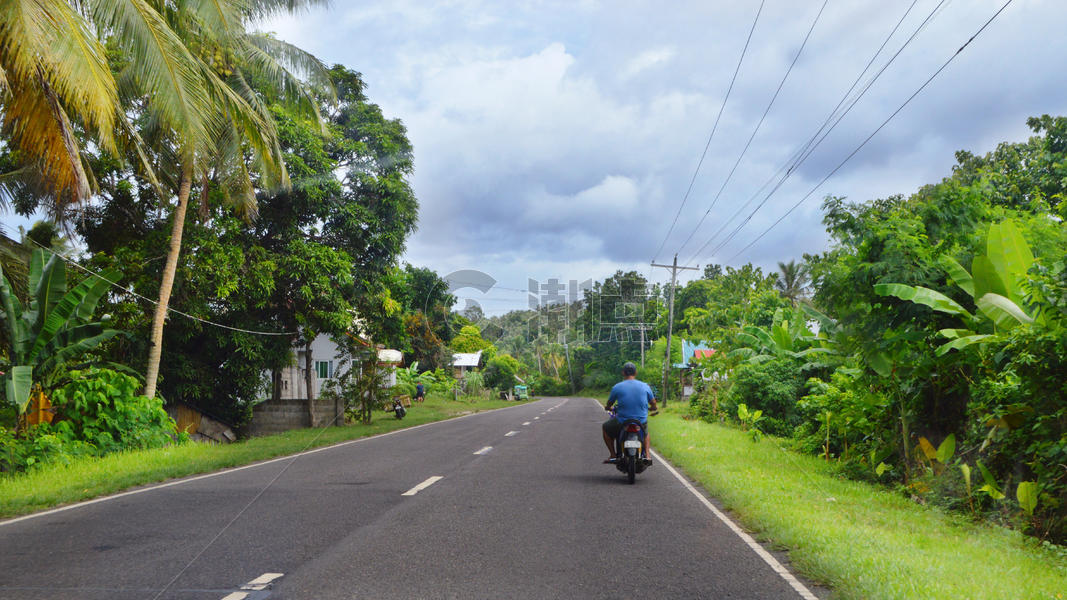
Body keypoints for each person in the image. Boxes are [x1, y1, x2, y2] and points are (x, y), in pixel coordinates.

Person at [602, 362, 657, 465]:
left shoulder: (617, 387)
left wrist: (609, 407)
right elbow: (653, 402)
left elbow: (610, 403)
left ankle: (613, 454)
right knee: (645, 432)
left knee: (605, 428)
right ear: (635, 372)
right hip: (640, 421)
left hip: (622, 421)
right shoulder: (645, 386)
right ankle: (648, 455)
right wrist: (653, 408)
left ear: (623, 373)